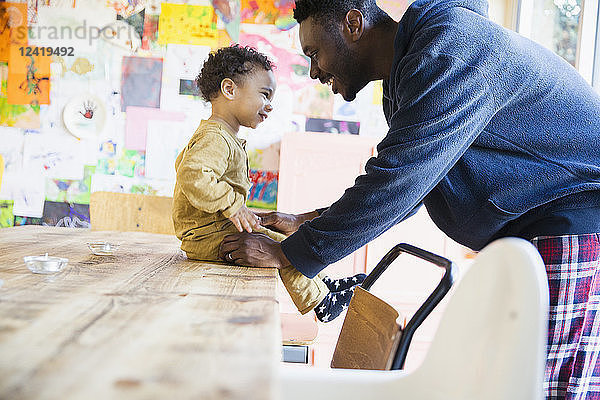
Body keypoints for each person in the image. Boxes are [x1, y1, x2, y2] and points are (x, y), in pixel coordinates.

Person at [218, 0, 600, 399]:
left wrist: (291, 253)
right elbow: (417, 184)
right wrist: (308, 221)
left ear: (353, 24)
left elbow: (400, 179)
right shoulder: (407, 75)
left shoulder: (450, 48)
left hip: (573, 222)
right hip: (531, 232)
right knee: (507, 382)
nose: (314, 71)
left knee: (544, 385)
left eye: (314, 53)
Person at [172, 44, 365, 323]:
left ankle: (324, 286)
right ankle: (321, 302)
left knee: (289, 239)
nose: (270, 105)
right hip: (205, 237)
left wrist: (238, 211)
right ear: (229, 90)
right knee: (281, 247)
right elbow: (193, 175)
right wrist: (233, 206)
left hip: (215, 229)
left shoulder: (223, 136)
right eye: (264, 94)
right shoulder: (214, 137)